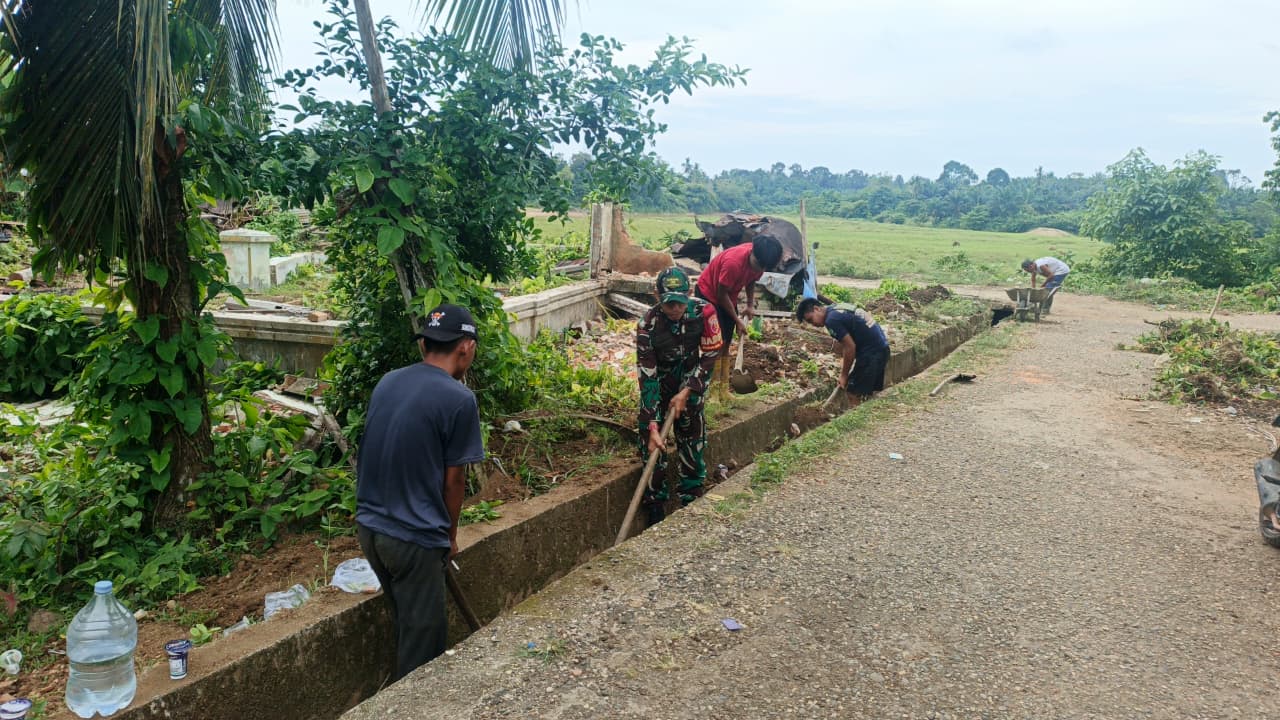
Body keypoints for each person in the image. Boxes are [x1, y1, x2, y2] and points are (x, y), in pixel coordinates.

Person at [355, 303, 485, 681]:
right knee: (424, 652)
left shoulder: (388, 381)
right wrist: (449, 536)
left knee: (407, 624)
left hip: (370, 530)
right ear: (466, 347)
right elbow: (454, 481)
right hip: (413, 540)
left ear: (425, 344)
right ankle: (410, 701)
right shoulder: (459, 399)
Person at [637, 267, 724, 523]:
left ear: (689, 293)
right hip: (660, 387)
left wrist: (688, 390)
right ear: (657, 296)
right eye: (669, 303)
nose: (675, 309)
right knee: (652, 444)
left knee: (692, 442)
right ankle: (655, 506)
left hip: (691, 383)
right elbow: (648, 377)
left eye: (680, 302)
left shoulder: (704, 312)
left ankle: (691, 500)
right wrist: (653, 425)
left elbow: (710, 355)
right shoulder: (647, 325)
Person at [694, 235, 783, 400]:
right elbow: (721, 295)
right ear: (753, 252)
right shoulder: (733, 263)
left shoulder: (761, 259)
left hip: (728, 296)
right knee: (716, 343)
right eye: (758, 265)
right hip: (709, 294)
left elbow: (751, 280)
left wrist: (749, 305)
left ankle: (723, 390)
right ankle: (713, 392)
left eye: (763, 267)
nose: (759, 269)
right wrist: (737, 320)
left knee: (726, 342)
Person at [795, 297, 890, 409]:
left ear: (817, 309)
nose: (813, 324)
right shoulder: (836, 308)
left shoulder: (831, 320)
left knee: (853, 393)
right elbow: (847, 343)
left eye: (811, 320)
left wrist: (844, 375)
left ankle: (855, 417)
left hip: (871, 354)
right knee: (866, 392)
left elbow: (849, 347)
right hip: (882, 348)